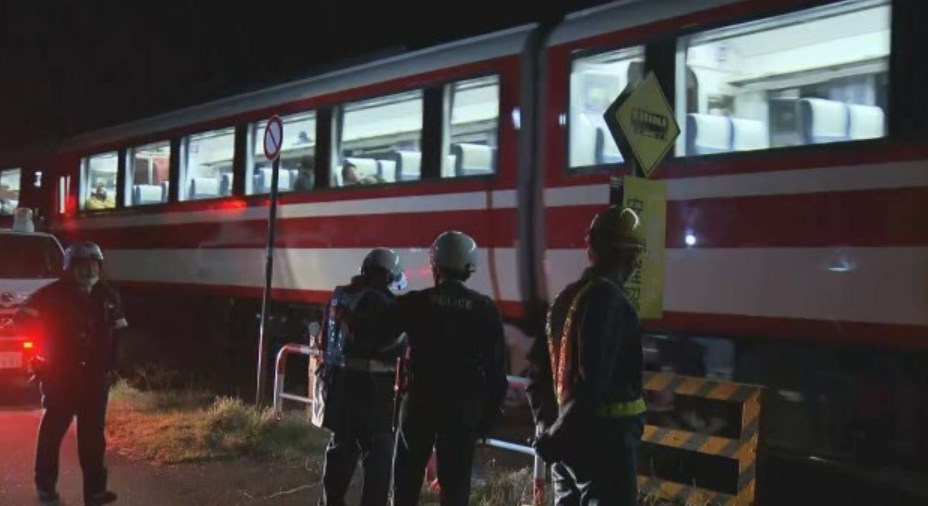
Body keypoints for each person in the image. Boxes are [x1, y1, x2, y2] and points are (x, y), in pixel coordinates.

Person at [352, 231, 507, 506]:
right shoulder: (484, 309)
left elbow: (374, 331)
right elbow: (497, 371)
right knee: (455, 487)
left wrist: (356, 300)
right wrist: (488, 417)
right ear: (469, 269)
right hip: (462, 409)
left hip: (419, 403)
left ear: (435, 268)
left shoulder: (417, 302)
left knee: (406, 481)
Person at [526, 206, 647, 506]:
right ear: (627, 257)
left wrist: (549, 429)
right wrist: (559, 434)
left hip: (567, 446)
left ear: (591, 247)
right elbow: (591, 384)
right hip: (605, 446)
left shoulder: (563, 300)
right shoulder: (613, 302)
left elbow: (536, 373)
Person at [15, 241, 126, 506]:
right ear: (69, 268)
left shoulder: (109, 296)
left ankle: (95, 492)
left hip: (96, 380)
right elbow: (21, 320)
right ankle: (46, 489)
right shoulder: (51, 295)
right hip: (60, 377)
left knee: (92, 439)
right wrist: (39, 354)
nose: (88, 270)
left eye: (93, 264)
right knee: (52, 435)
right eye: (81, 265)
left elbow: (119, 334)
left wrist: (113, 369)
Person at [316, 248, 407, 506]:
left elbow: (326, 338)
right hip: (374, 393)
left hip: (339, 386)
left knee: (339, 451)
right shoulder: (386, 302)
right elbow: (390, 346)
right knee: (378, 459)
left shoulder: (339, 296)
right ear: (389, 275)